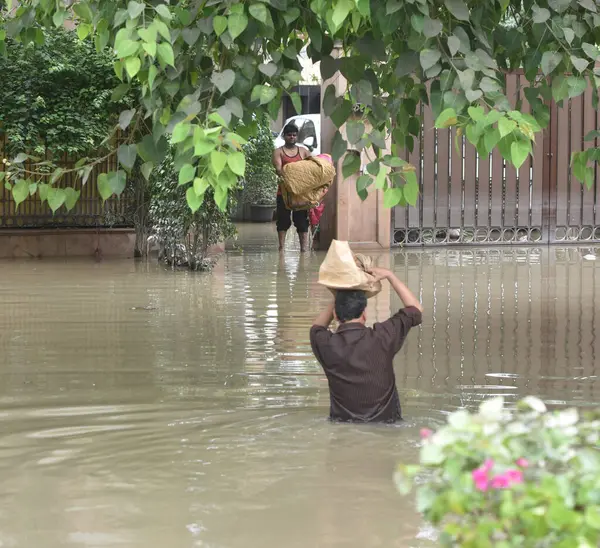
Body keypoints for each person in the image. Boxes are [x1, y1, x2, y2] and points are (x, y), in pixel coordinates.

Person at [309, 267, 423, 423]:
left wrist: (338, 294)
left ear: (335, 314)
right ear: (364, 314)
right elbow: (415, 309)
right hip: (387, 428)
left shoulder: (326, 344)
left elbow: (317, 327)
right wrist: (390, 275)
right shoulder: (383, 337)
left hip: (343, 429)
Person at [272, 123, 311, 252]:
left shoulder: (304, 151)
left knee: (302, 221)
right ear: (284, 136)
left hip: (301, 194)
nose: (292, 137)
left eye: (294, 135)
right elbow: (278, 170)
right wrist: (294, 176)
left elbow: (313, 168)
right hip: (284, 193)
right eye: (289, 135)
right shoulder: (278, 152)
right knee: (282, 221)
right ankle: (281, 248)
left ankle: (304, 250)